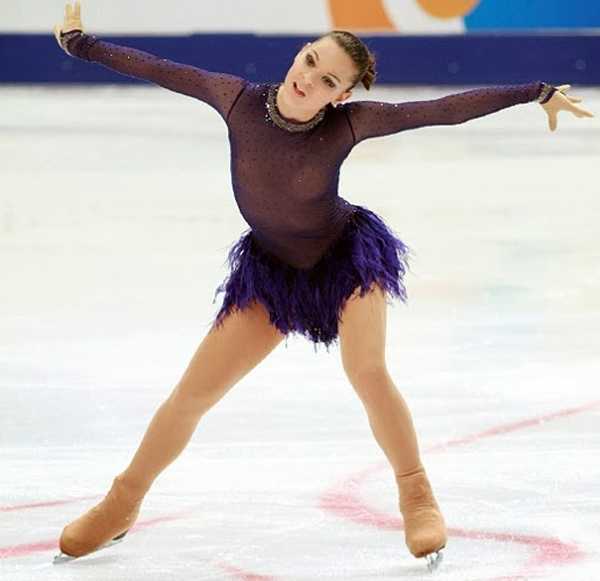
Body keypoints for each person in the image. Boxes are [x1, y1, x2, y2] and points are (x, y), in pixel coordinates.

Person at [52, 0, 594, 570]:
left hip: (347, 263)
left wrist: (534, 91)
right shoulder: (236, 99)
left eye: (329, 80)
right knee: (192, 394)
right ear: (300, 52)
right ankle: (122, 502)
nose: (309, 79)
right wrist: (81, 44)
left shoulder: (349, 124)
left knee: (367, 371)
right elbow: (160, 68)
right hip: (273, 272)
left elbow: (439, 110)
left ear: (342, 96)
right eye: (311, 60)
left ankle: (416, 494)